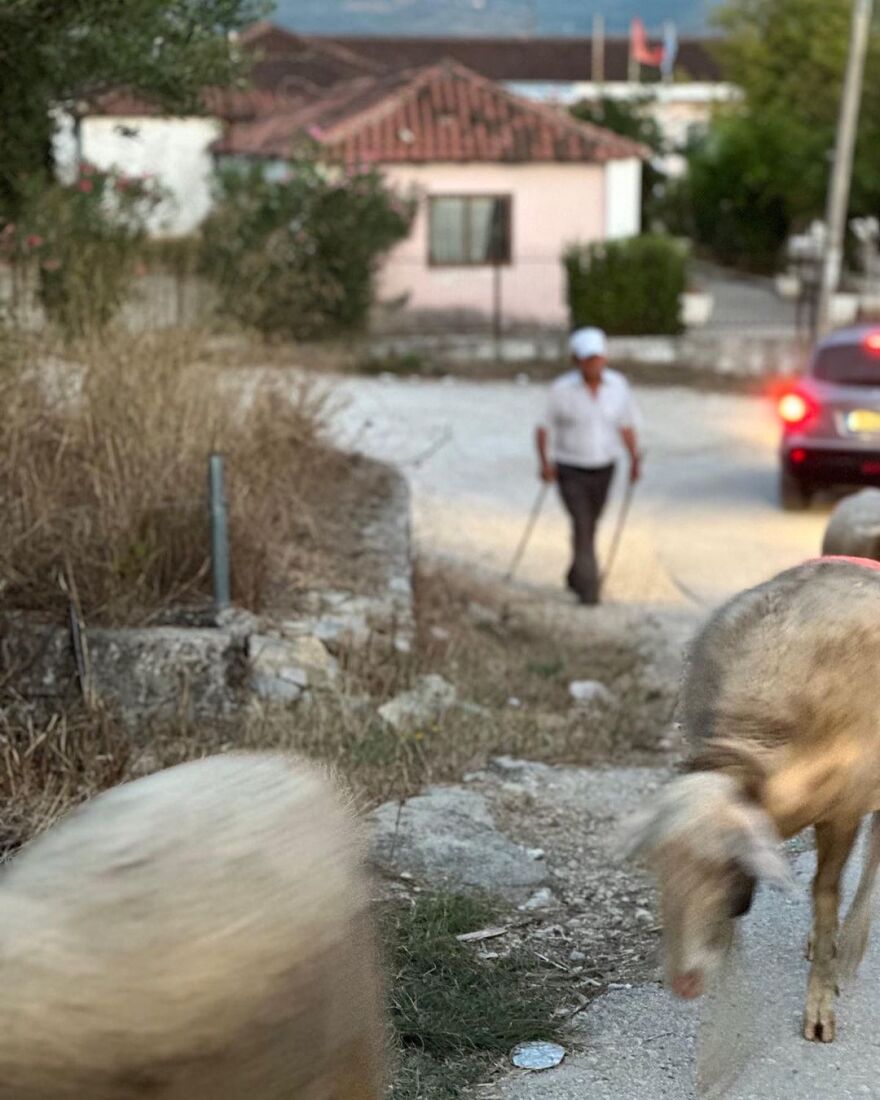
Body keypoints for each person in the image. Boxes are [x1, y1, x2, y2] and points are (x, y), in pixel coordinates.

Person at [535, 327, 642, 605]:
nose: (593, 364)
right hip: (570, 468)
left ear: (604, 359)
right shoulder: (561, 390)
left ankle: (575, 575)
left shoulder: (618, 386)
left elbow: (626, 425)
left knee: (590, 524)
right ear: (577, 360)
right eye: (587, 359)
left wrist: (634, 459)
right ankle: (589, 589)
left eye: (597, 358)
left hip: (605, 467)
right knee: (582, 524)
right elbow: (544, 429)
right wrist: (545, 463)